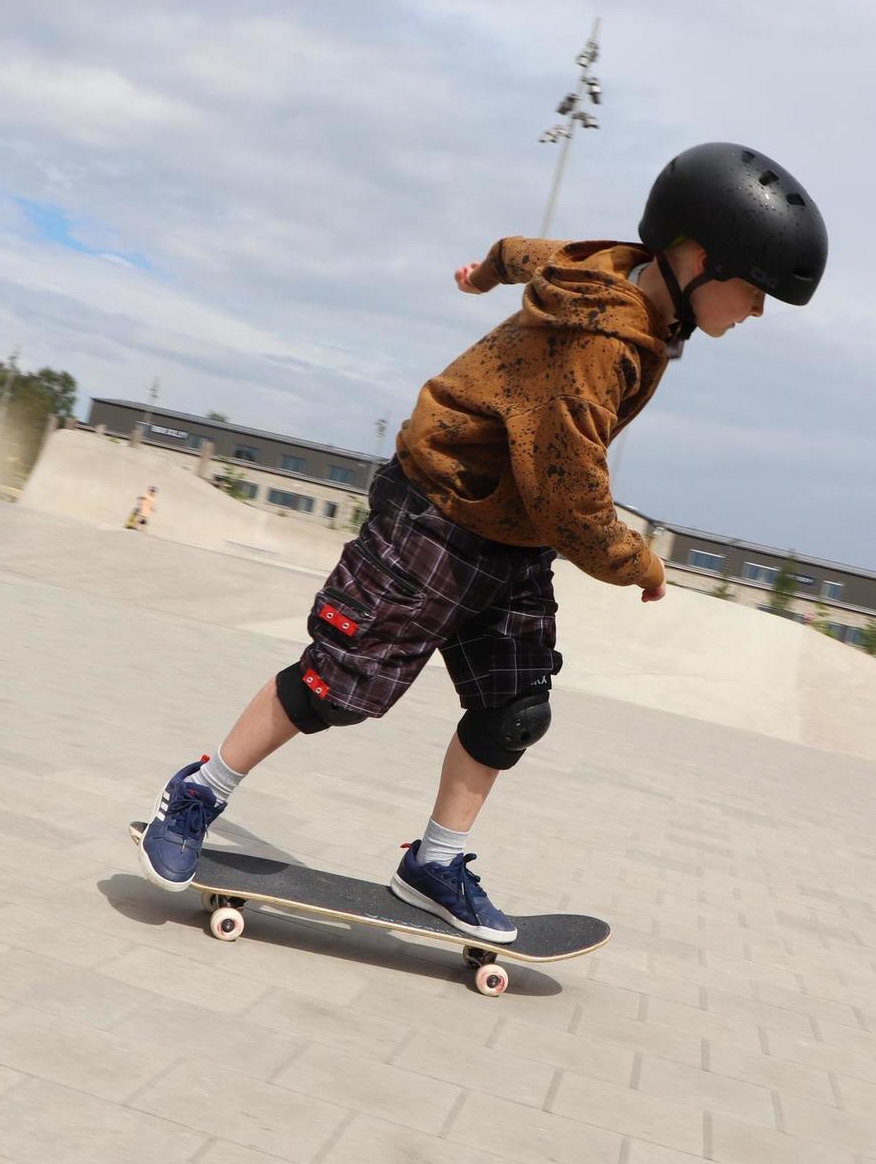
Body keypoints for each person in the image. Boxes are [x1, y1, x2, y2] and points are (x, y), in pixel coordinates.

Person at [135, 142, 828, 941]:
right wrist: (635, 560)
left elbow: (529, 254)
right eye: (755, 290)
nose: (758, 311)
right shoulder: (601, 339)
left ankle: (435, 861)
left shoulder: (615, 267)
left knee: (513, 708)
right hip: (440, 503)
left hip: (512, 535)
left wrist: (486, 271)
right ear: (701, 261)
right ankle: (200, 789)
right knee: (339, 682)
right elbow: (570, 493)